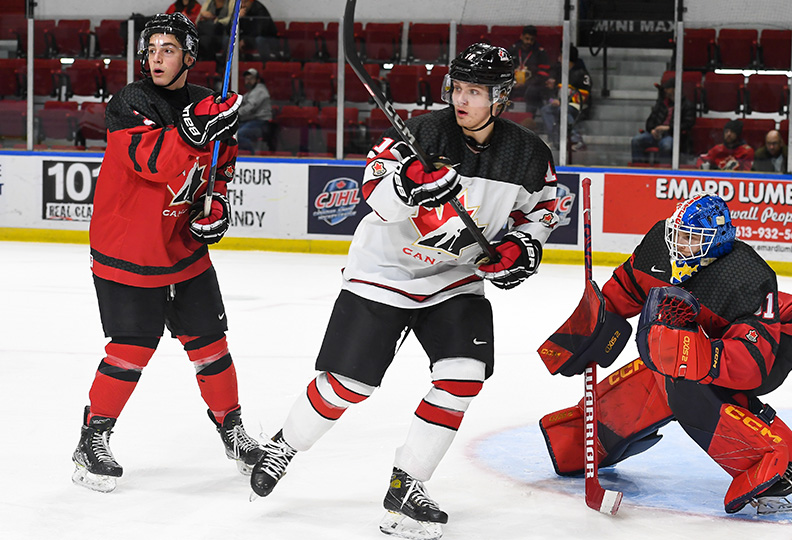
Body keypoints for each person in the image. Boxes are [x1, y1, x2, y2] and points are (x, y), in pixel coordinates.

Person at [249, 43, 559, 539]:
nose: (461, 99)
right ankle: (284, 444)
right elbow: (373, 193)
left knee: (464, 374)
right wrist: (406, 183)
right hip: (385, 270)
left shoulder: (528, 153)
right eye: (457, 88)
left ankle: (407, 483)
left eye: (475, 91)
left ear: (500, 98)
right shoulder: (422, 134)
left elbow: (542, 209)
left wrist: (521, 247)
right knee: (350, 385)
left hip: (456, 277)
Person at [71, 12, 262, 494]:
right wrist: (197, 128)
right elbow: (150, 162)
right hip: (127, 249)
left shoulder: (203, 102)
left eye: (168, 49)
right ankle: (92, 438)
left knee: (211, 345)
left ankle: (232, 431)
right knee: (131, 350)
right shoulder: (129, 102)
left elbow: (222, 160)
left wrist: (216, 199)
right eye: (152, 49)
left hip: (183, 248)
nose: (156, 57)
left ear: (189, 57)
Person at [539, 194, 792, 515]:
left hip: (765, 351)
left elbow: (751, 365)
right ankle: (588, 441)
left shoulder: (747, 278)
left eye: (692, 238)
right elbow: (626, 289)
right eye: (679, 234)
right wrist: (593, 324)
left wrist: (692, 354)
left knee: (689, 387)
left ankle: (782, 470)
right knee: (663, 377)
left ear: (717, 241)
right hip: (704, 336)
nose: (679, 244)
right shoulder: (660, 247)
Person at [630, 76, 696, 163]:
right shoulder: (661, 103)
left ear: (675, 89)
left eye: (668, 88)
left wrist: (668, 128)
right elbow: (650, 121)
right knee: (636, 141)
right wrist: (652, 130)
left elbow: (688, 124)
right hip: (655, 135)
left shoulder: (687, 105)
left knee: (666, 145)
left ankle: (663, 169)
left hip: (672, 135)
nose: (665, 90)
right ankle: (640, 169)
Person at [539, 45, 591, 151]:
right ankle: (555, 140)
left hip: (577, 107)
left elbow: (584, 95)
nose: (559, 58)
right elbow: (550, 93)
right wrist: (552, 100)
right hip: (561, 106)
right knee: (546, 110)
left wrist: (562, 102)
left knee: (562, 110)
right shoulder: (559, 73)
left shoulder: (582, 74)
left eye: (561, 56)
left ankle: (577, 139)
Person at [507, 25, 552, 113]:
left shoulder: (540, 52)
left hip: (531, 85)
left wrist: (526, 83)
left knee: (533, 91)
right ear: (521, 37)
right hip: (514, 83)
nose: (529, 42)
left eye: (532, 40)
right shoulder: (513, 49)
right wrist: (513, 82)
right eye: (527, 39)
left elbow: (543, 75)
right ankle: (504, 116)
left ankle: (529, 118)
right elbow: (506, 69)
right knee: (503, 88)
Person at [237, 67, 272, 153]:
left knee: (238, 135)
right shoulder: (251, 92)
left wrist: (235, 113)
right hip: (251, 121)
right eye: (246, 79)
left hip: (261, 123)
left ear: (257, 80)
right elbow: (241, 101)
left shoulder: (260, 90)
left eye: (251, 79)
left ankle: (252, 154)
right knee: (230, 133)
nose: (248, 81)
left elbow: (250, 106)